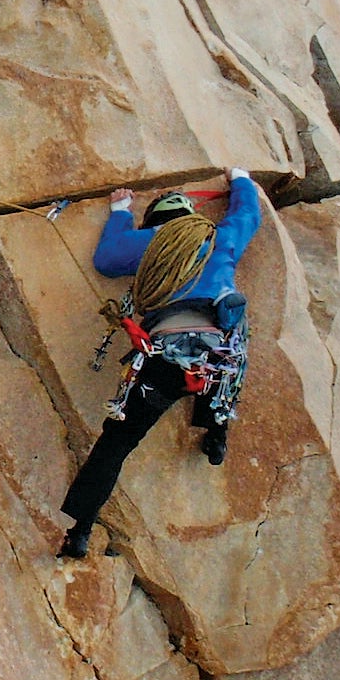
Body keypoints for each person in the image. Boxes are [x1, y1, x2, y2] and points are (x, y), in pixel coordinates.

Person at [58, 167, 262, 560]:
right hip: (215, 354)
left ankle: (80, 530)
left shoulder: (151, 241)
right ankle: (217, 433)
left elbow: (107, 259)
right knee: (231, 341)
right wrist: (239, 179)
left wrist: (120, 211)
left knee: (118, 441)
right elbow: (247, 215)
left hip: (164, 355)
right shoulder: (219, 237)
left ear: (156, 220)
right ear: (189, 215)